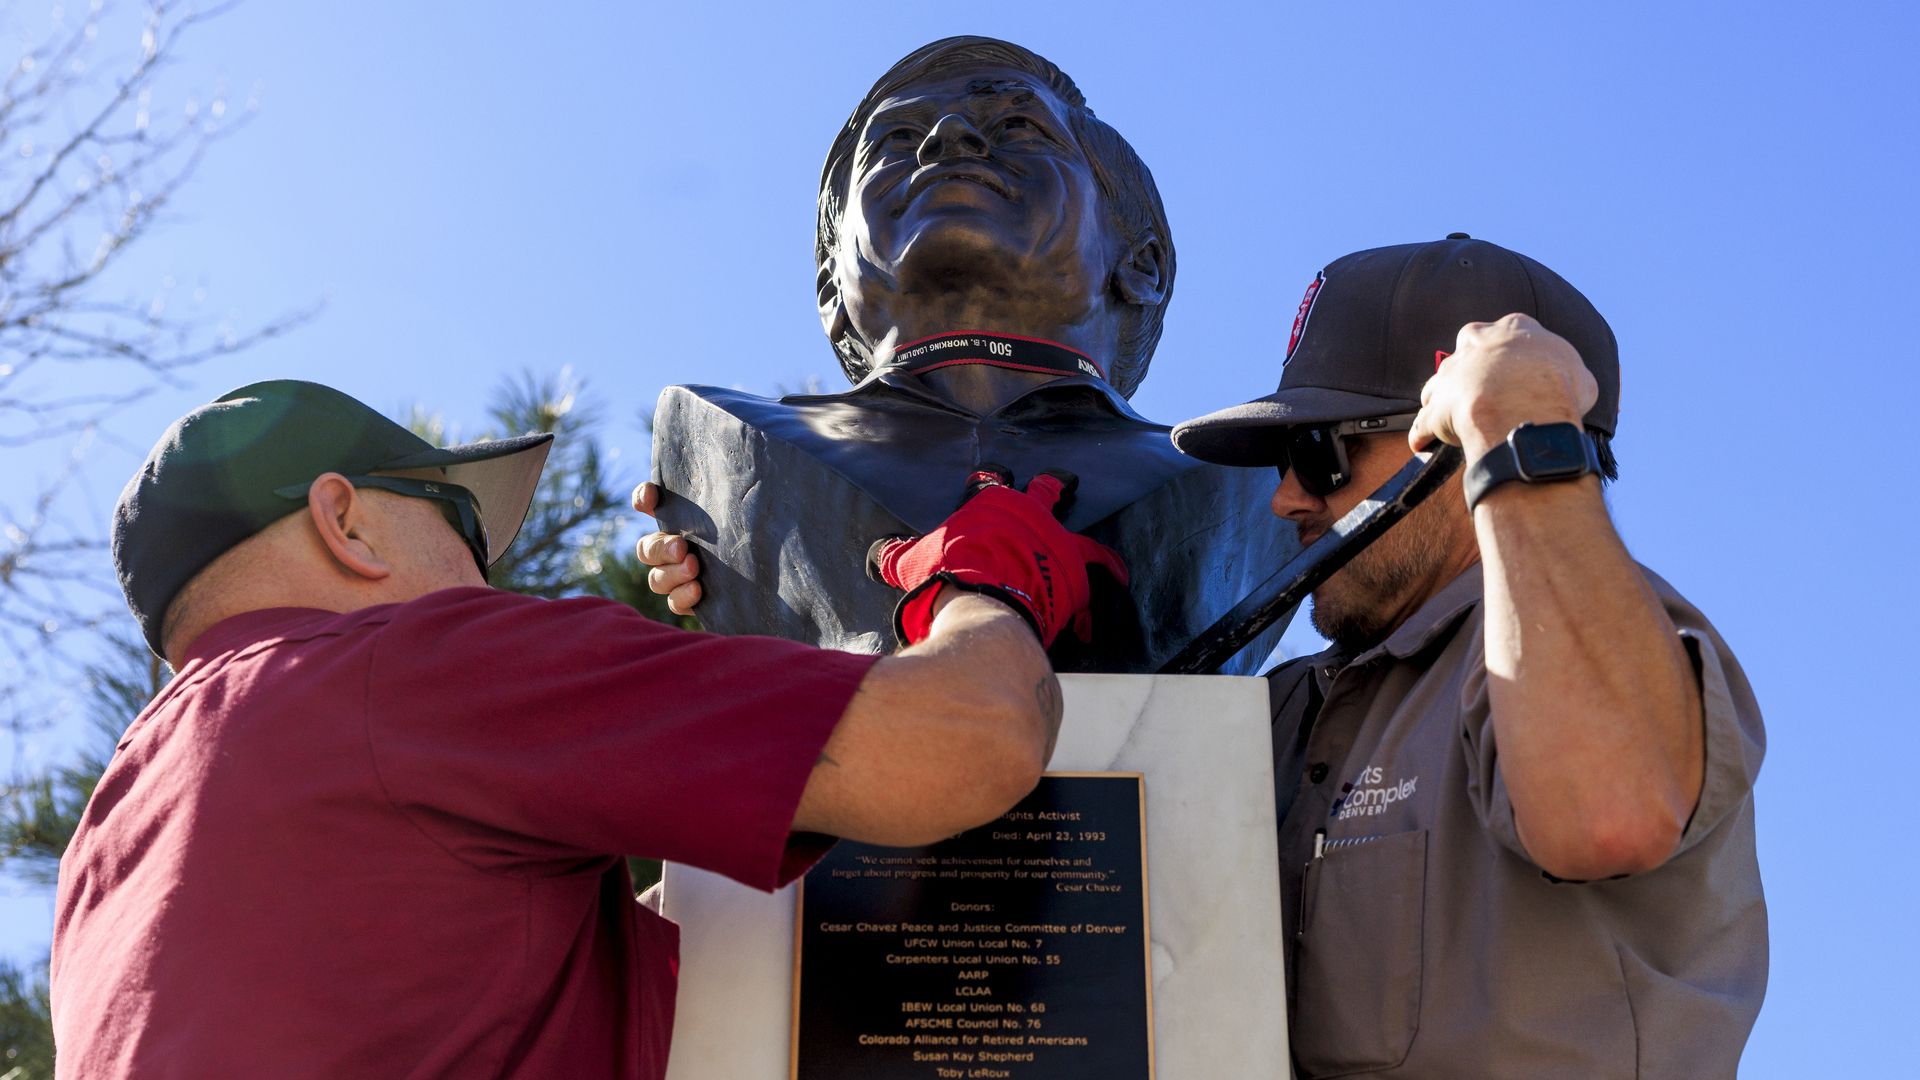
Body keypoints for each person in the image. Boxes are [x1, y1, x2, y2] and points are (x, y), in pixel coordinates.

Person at [50, 379, 1121, 1079]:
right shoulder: (413, 669)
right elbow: (969, 734)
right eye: (464, 527)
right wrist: (988, 577)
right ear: (346, 522)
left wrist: (717, 687)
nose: (487, 574)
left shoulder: (105, 855)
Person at [1170, 235, 1767, 1078]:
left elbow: (1609, 813)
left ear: (1455, 446)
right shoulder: (1280, 714)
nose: (1285, 497)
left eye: (1318, 454)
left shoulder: (1626, 649)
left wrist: (1523, 436)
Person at [639, 35, 1295, 673]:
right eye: (898, 139)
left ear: (1142, 263)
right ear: (830, 287)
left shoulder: (1253, 484)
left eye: (1017, 125)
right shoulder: (733, 452)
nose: (948, 137)